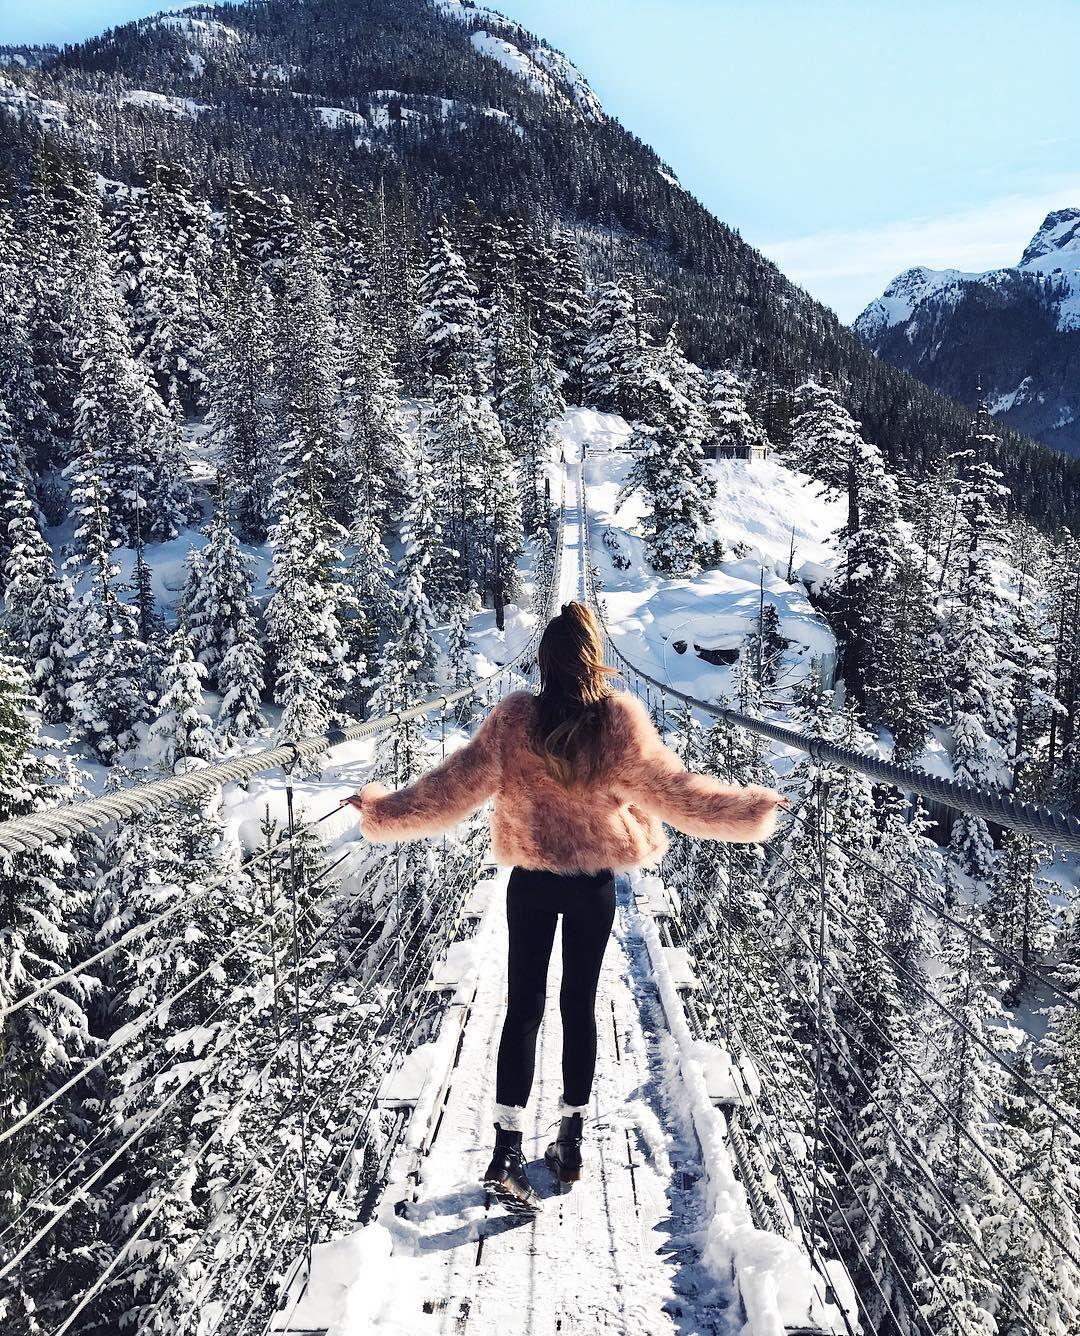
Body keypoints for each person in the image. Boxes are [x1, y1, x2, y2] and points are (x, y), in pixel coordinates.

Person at [341, 602, 784, 1211]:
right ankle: (570, 1143)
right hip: (590, 887)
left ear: (544, 663)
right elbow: (677, 794)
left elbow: (450, 789)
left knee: (522, 1010)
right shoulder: (618, 725)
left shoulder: (514, 721)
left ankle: (505, 1151)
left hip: (530, 884)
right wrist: (753, 810)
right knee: (579, 1008)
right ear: (594, 661)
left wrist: (380, 811)